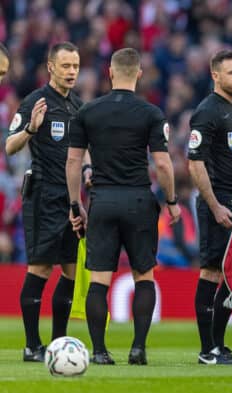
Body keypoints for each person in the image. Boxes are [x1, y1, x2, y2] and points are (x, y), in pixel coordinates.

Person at [66, 47, 181, 365]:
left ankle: (100, 352)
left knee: (100, 280)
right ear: (139, 74)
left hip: (102, 201)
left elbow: (74, 161)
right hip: (138, 200)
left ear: (111, 73)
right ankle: (138, 348)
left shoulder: (87, 112)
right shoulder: (151, 113)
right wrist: (171, 201)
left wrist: (76, 206)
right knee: (144, 276)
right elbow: (163, 164)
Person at [5, 42, 87, 362]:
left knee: (68, 271)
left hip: (69, 199)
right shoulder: (34, 101)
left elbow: (83, 154)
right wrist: (30, 128)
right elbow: (10, 146)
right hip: (41, 196)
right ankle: (31, 345)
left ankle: (58, 344)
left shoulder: (79, 107)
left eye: (76, 66)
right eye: (65, 66)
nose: (71, 72)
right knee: (40, 268)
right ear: (51, 67)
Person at [187, 49, 232, 365]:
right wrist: (215, 206)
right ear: (215, 75)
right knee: (212, 271)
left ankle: (218, 342)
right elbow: (195, 163)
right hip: (216, 201)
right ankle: (208, 350)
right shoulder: (206, 112)